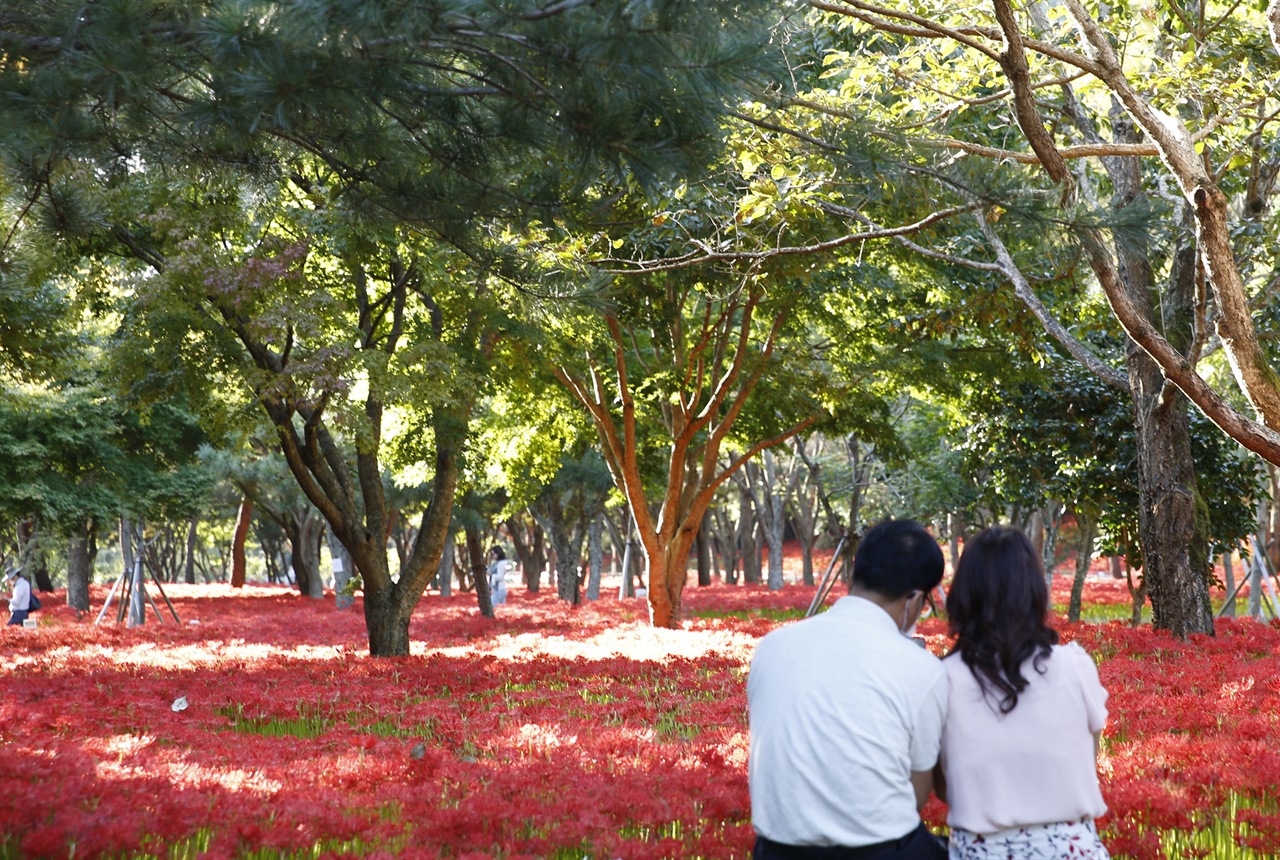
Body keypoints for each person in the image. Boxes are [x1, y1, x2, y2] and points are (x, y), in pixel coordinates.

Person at [748, 519, 949, 860]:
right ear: (915, 598)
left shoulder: (771, 647)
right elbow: (914, 796)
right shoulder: (921, 668)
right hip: (881, 852)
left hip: (775, 851)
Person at [939, 526, 1110, 859]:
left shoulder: (941, 678)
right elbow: (1085, 763)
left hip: (981, 851)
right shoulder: (1075, 665)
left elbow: (945, 787)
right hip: (1073, 849)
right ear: (1034, 591)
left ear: (963, 594)